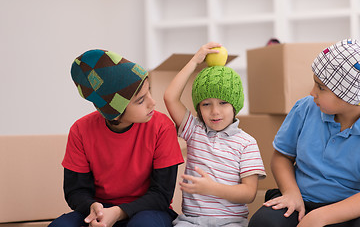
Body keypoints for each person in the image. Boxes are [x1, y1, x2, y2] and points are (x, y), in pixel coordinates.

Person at [49, 49, 184, 227]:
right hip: (100, 212)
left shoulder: (162, 127)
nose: (153, 102)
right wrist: (93, 208)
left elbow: (161, 194)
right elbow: (76, 191)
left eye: (148, 91)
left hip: (148, 210)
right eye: (141, 100)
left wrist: (119, 212)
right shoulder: (80, 130)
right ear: (115, 113)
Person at [248, 39, 360, 227]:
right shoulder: (305, 108)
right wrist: (291, 193)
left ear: (350, 97)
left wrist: (321, 217)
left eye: (321, 88)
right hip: (298, 199)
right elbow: (281, 157)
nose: (312, 92)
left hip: (346, 210)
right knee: (263, 222)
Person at [164, 42, 266, 226]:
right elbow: (170, 97)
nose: (215, 111)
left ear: (235, 105)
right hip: (192, 221)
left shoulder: (247, 143)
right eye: (206, 104)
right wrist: (195, 61)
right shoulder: (194, 130)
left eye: (223, 103)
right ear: (198, 108)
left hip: (230, 222)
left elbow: (249, 193)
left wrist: (212, 188)